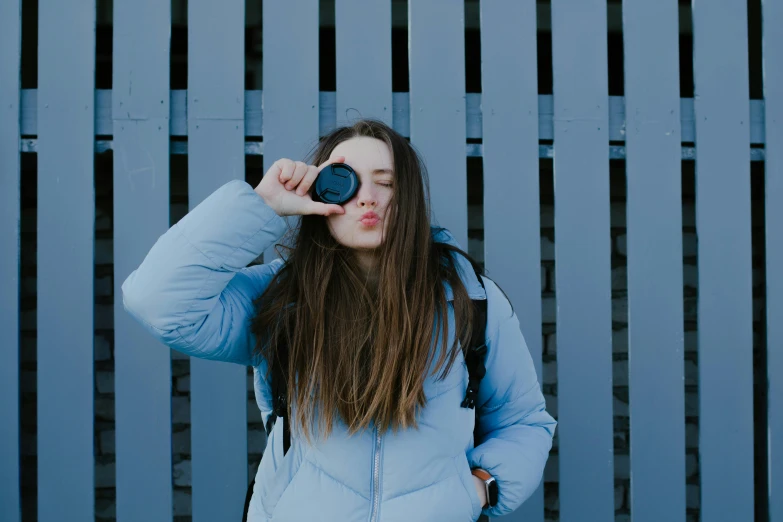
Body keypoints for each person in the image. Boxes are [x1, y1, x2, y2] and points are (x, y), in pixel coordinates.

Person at [122, 119, 556, 522]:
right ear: (321, 191)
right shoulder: (281, 299)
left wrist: (480, 490)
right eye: (345, 183)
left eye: (386, 183)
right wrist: (263, 206)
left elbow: (524, 422)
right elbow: (157, 301)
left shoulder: (471, 299)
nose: (367, 197)